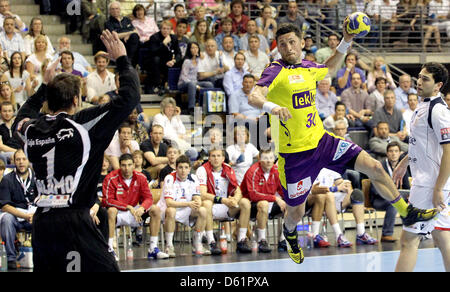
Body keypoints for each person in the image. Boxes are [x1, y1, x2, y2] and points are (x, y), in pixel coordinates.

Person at [248, 23, 438, 265]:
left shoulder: (307, 67)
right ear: (279, 47)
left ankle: (407, 212)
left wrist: (346, 38)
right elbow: (254, 95)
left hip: (322, 142)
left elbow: (329, 68)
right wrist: (272, 107)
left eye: (292, 41)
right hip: (295, 157)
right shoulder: (275, 70)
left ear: (301, 42)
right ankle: (290, 232)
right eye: (283, 44)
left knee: (376, 167)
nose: (288, 47)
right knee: (295, 211)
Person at [16, 30, 139, 272]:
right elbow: (130, 97)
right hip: (74, 220)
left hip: (43, 222)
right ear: (75, 100)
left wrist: (44, 85)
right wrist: (122, 60)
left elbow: (21, 118)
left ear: (49, 100)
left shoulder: (32, 129)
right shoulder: (84, 123)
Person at [394, 62, 450, 272]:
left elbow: (448, 152)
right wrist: (404, 161)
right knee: (442, 236)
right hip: (429, 182)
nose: (419, 81)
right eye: (419, 76)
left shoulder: (438, 111)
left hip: (429, 185)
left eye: (426, 79)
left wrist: (437, 188)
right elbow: (423, 143)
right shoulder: (423, 105)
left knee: (409, 241)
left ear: (438, 85)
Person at [103, 153, 169, 260]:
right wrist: (127, 207)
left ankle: (153, 248)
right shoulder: (111, 178)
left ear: (134, 165)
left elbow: (148, 198)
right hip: (119, 213)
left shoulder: (141, 177)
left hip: (136, 212)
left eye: (129, 165)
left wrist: (142, 208)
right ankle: (110, 249)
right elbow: (107, 200)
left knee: (156, 210)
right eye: (124, 165)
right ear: (119, 166)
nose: (127, 168)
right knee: (111, 210)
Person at [157, 155, 208, 256]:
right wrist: (188, 203)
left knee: (202, 210)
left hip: (186, 209)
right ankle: (169, 246)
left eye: (186, 167)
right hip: (167, 210)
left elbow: (197, 197)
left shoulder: (193, 178)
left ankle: (197, 243)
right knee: (171, 210)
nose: (183, 170)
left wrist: (197, 201)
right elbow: (169, 203)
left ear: (189, 169)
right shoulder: (170, 178)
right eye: (180, 167)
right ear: (176, 168)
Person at [196, 147, 244, 255]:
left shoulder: (228, 169)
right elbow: (203, 194)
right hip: (213, 204)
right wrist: (223, 200)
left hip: (227, 205)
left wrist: (235, 199)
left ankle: (242, 240)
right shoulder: (202, 169)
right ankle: (211, 241)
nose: (216, 158)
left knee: (245, 203)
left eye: (218, 156)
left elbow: (238, 189)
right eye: (213, 156)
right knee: (206, 204)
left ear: (223, 158)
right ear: (209, 158)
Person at [240, 149, 288, 252]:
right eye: (265, 158)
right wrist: (276, 198)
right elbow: (253, 195)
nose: (269, 161)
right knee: (264, 204)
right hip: (251, 204)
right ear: (260, 159)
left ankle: (284, 239)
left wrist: (289, 200)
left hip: (269, 202)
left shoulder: (276, 170)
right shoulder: (253, 171)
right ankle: (261, 240)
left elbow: (281, 190)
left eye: (271, 158)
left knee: (290, 205)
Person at [0, 149, 37, 270]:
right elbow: (5, 206)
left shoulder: (38, 178)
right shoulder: (7, 180)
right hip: (16, 216)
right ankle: (11, 258)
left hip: (35, 215)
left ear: (29, 161)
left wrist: (35, 214)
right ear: (13, 161)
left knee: (49, 218)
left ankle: (42, 255)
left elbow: (45, 199)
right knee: (6, 219)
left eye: (24, 159)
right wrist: (25, 215)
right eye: (18, 159)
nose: (21, 162)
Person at [370, 141, 409, 243]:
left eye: (396, 151)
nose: (393, 153)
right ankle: (386, 234)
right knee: (394, 203)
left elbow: (407, 187)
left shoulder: (402, 166)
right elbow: (375, 190)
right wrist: (391, 195)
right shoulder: (379, 166)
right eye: (391, 151)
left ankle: (413, 232)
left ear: (400, 153)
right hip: (379, 199)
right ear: (387, 153)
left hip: (396, 197)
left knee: (409, 203)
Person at [144, 20, 182, 95]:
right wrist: (164, 43)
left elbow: (178, 53)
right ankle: (158, 84)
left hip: (169, 61)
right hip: (155, 61)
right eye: (164, 28)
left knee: (181, 62)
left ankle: (174, 86)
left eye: (168, 29)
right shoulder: (154, 37)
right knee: (156, 59)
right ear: (160, 29)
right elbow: (153, 52)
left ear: (171, 30)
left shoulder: (174, 38)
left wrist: (173, 61)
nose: (165, 31)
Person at [177, 42, 214, 114]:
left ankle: (206, 106)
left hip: (195, 81)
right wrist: (196, 86)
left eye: (196, 48)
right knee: (192, 84)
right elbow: (184, 77)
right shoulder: (187, 61)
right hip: (184, 83)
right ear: (189, 50)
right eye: (192, 48)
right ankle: (191, 108)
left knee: (209, 84)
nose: (195, 50)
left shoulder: (198, 60)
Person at [105, 2, 140, 66]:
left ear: (120, 10)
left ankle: (130, 60)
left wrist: (129, 35)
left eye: (117, 8)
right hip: (118, 43)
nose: (115, 10)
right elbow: (115, 36)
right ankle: (129, 62)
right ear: (109, 11)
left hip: (130, 42)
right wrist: (129, 33)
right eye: (112, 9)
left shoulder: (126, 19)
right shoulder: (108, 23)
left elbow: (136, 31)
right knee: (134, 37)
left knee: (135, 37)